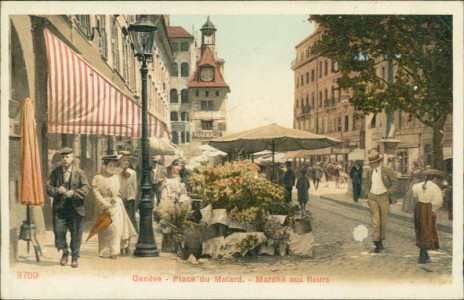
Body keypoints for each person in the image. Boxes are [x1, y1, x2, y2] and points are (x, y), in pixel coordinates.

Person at [46, 147, 90, 268]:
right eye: (63, 157)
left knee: (76, 235)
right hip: (60, 210)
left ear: (72, 158)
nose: (65, 159)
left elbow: (86, 188)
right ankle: (65, 253)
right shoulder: (56, 172)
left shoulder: (80, 173)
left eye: (67, 157)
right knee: (59, 233)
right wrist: (57, 190)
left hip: (76, 209)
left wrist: (74, 193)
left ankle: (75, 257)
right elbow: (48, 188)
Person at [92, 154, 137, 258]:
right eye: (110, 165)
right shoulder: (98, 178)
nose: (112, 168)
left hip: (117, 205)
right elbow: (96, 193)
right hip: (104, 205)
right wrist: (105, 203)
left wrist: (118, 197)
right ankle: (105, 251)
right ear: (105, 166)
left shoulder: (116, 177)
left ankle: (114, 251)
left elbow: (119, 190)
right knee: (105, 229)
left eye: (114, 166)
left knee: (116, 229)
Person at [364, 151, 399, 253]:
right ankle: (376, 242)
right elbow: (367, 183)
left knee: (383, 221)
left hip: (384, 197)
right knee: (376, 220)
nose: (371, 165)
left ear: (377, 162)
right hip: (373, 197)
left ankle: (381, 240)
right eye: (370, 163)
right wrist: (368, 193)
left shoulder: (387, 171)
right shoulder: (370, 172)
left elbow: (395, 183)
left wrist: (389, 193)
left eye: (372, 163)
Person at [412, 169, 445, 264]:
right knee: (428, 230)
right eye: (437, 179)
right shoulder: (435, 188)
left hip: (419, 207)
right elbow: (438, 202)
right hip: (428, 208)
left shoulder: (418, 185)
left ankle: (424, 253)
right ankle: (422, 255)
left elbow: (414, 195)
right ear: (434, 178)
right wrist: (433, 210)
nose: (438, 181)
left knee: (420, 229)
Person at [117, 151, 138, 245]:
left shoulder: (132, 173)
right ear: (119, 161)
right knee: (119, 221)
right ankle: (120, 243)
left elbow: (135, 187)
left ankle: (127, 243)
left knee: (129, 221)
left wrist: (134, 199)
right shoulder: (116, 172)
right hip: (119, 200)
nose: (126, 162)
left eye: (128, 160)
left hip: (129, 200)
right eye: (124, 160)